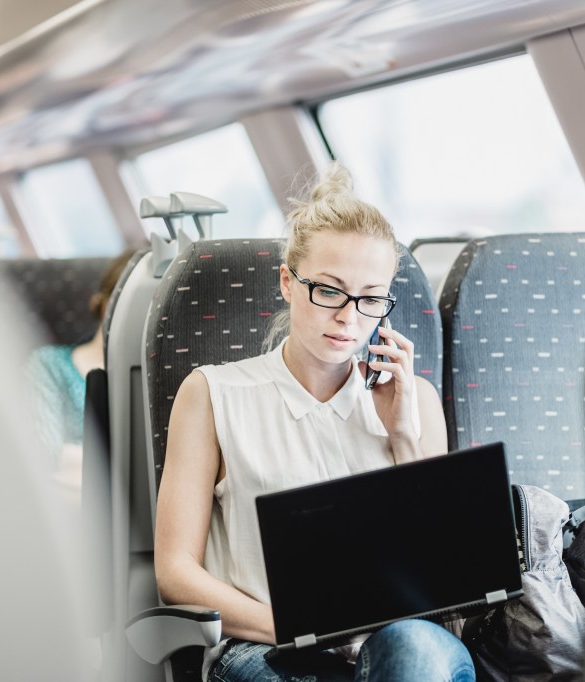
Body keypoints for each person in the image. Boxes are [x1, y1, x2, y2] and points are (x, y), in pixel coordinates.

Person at [154, 164, 476, 682]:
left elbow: (438, 580)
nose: (350, 317)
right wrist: (297, 626)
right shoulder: (213, 393)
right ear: (288, 282)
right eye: (329, 291)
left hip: (394, 643)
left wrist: (404, 440)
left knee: (417, 651)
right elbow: (176, 572)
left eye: (371, 297)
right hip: (267, 644)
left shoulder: (413, 400)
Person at [25, 249, 137, 499]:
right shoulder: (49, 365)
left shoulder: (163, 381)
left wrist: (76, 456)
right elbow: (45, 457)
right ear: (107, 304)